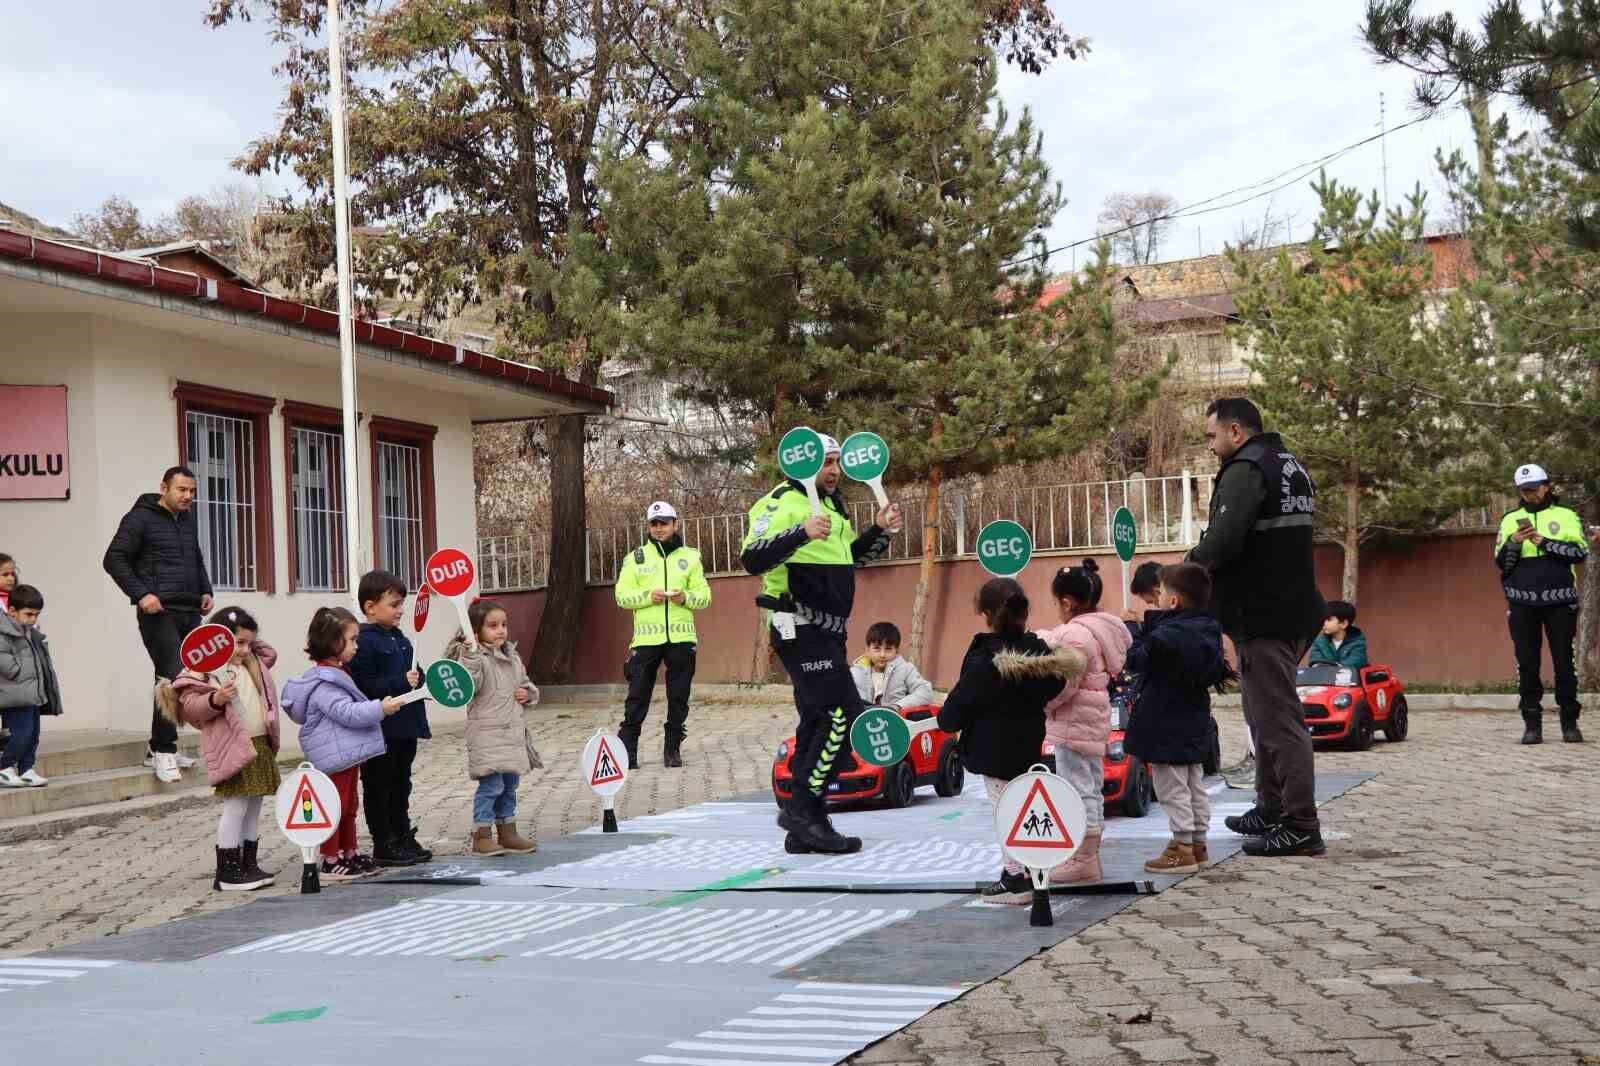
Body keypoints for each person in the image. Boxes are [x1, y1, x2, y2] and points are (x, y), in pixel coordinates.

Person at [740, 433, 900, 854]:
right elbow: (752, 559)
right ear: (803, 463)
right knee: (842, 716)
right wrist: (800, 532)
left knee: (816, 720)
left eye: (835, 462)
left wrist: (879, 532)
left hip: (830, 631)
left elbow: (850, 560)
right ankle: (806, 812)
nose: (832, 471)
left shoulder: (834, 506)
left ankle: (801, 823)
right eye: (825, 462)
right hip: (797, 626)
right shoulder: (778, 502)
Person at [1189, 397, 1326, 858]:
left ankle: (1301, 823)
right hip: (1291, 607)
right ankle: (1270, 806)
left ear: (1236, 432)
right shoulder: (1290, 465)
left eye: (1212, 436)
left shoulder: (1247, 469)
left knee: (1278, 720)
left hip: (1265, 615)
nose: (1210, 445)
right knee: (1260, 714)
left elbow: (1224, 541)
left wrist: (1186, 573)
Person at [936, 578, 1084, 902]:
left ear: (985, 613)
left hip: (992, 750)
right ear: (1025, 610)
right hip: (1029, 743)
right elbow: (1055, 687)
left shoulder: (984, 660)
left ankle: (1016, 877)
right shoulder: (1041, 654)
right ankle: (1031, 868)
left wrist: (946, 721)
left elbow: (958, 706)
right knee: (1026, 806)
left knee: (1007, 812)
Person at [1124, 564, 1236, 875]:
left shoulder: (1167, 635)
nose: (1156, 599)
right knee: (1193, 782)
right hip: (1194, 717)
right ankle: (1199, 845)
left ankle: (1181, 849)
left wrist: (1133, 630)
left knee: (1171, 786)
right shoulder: (1208, 628)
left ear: (1173, 602)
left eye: (1160, 593)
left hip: (1165, 719)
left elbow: (1136, 659)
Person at [159, 607, 282, 892]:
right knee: (236, 805)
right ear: (219, 641)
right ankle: (227, 871)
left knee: (254, 805)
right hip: (232, 747)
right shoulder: (202, 674)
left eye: (249, 643)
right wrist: (216, 697)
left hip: (259, 744)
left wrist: (243, 639)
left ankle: (248, 863)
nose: (245, 649)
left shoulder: (252, 662)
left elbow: (269, 651)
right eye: (238, 643)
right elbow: (192, 709)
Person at [103, 466, 212, 783]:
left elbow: (195, 557)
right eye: (182, 490)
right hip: (158, 611)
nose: (188, 496)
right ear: (164, 487)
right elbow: (114, 559)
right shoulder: (139, 518)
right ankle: (164, 750)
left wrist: (205, 589)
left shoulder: (186, 519)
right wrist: (141, 594)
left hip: (189, 608)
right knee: (173, 674)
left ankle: (159, 748)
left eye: (192, 491)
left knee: (180, 675)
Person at [282, 607, 403, 880]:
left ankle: (349, 852)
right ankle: (329, 858)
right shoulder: (325, 683)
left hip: (345, 755)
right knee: (333, 806)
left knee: (348, 806)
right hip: (333, 758)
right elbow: (347, 713)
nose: (356, 646)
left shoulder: (339, 673)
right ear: (332, 643)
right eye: (351, 640)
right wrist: (380, 709)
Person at [1035, 559, 1133, 884]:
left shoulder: (1074, 636)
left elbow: (1064, 683)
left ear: (1066, 602)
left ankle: (1084, 860)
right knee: (1089, 786)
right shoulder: (1100, 629)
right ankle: (1087, 856)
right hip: (1092, 719)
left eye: (1055, 603)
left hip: (1072, 723)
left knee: (1079, 790)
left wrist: (1043, 705)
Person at [613, 501, 712, 769]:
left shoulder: (691, 557)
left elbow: (705, 597)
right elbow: (622, 596)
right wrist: (648, 597)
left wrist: (685, 597)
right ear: (648, 526)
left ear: (675, 524)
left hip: (681, 639)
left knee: (679, 697)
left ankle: (672, 749)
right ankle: (628, 752)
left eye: (664, 523)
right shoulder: (635, 558)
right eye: (654, 524)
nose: (659, 529)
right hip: (646, 641)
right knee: (637, 697)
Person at [1496, 464, 1589, 744]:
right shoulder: (1510, 519)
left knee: (1564, 662)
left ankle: (1569, 722)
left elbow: (1579, 553)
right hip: (1522, 603)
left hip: (1560, 602)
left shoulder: (1566, 515)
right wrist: (1514, 542)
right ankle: (1532, 724)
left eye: (1534, 489)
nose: (1530, 495)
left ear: (1547, 486)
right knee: (1527, 664)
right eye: (1524, 490)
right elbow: (1500, 563)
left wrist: (1543, 542)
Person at [349, 570, 432, 866]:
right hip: (381, 729)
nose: (400, 611)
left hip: (405, 725)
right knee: (379, 785)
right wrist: (401, 681)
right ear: (371, 607)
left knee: (401, 783)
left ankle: (401, 834)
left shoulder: (400, 638)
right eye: (394, 605)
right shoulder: (364, 642)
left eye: (401, 605)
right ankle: (384, 841)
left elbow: (415, 675)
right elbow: (364, 685)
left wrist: (421, 682)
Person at [448, 599, 541, 856]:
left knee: (510, 785)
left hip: (512, 734)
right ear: (476, 631)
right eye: (493, 626)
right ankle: (482, 833)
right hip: (487, 736)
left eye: (503, 625)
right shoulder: (474, 658)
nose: (500, 630)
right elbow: (470, 683)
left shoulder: (512, 656)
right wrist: (470, 654)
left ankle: (507, 830)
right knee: (492, 786)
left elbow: (525, 681)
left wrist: (528, 694)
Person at [0, 585, 63, 788]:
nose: (33, 619)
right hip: (15, 694)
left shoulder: (31, 632)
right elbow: (4, 661)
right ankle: (4, 767)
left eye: (36, 615)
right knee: (21, 733)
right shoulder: (4, 633)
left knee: (33, 733)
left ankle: (27, 768)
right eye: (28, 614)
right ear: (12, 611)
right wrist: (18, 671)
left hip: (32, 693)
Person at [850, 622, 935, 708]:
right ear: (867, 650)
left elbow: (926, 692)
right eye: (877, 648)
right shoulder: (856, 673)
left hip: (895, 719)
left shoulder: (906, 670)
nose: (882, 654)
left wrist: (898, 706)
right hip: (863, 720)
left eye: (888, 649)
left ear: (896, 651)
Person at [1308, 601, 1369, 670]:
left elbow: (1357, 660)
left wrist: (1337, 667)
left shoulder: (1357, 641)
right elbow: (1315, 660)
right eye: (1323, 619)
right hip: (1326, 677)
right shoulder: (1320, 641)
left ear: (1343, 624)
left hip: (1351, 678)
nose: (1324, 623)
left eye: (1328, 620)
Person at [1120, 560, 1164, 635]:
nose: (1157, 606)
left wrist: (1131, 625)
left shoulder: (1173, 624)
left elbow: (1144, 646)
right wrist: (1139, 627)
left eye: (1152, 601)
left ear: (1157, 592)